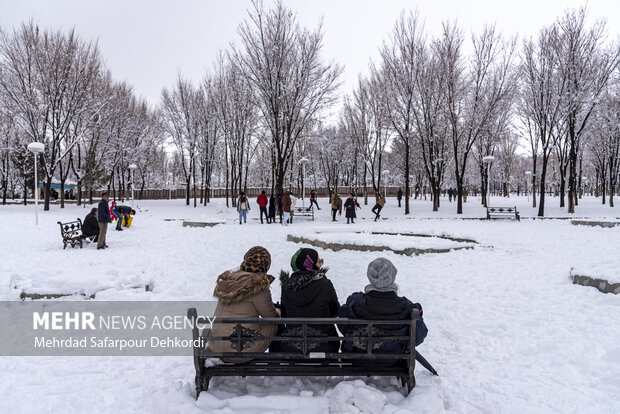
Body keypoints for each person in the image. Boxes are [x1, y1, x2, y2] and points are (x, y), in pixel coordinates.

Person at [338, 258, 428, 366]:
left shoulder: (354, 302)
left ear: (370, 276)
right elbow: (417, 338)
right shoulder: (407, 307)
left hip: (357, 356)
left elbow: (344, 327)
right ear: (392, 276)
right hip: (392, 359)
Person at [208, 246, 280, 362]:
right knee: (274, 324)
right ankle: (278, 358)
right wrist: (278, 311)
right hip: (240, 350)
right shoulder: (258, 287)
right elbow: (270, 317)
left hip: (216, 347)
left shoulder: (228, 280)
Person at [275, 248, 340, 353]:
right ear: (311, 264)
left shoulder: (286, 287)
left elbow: (285, 315)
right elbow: (335, 312)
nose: (321, 264)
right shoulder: (325, 284)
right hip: (325, 348)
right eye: (319, 261)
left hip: (293, 349)